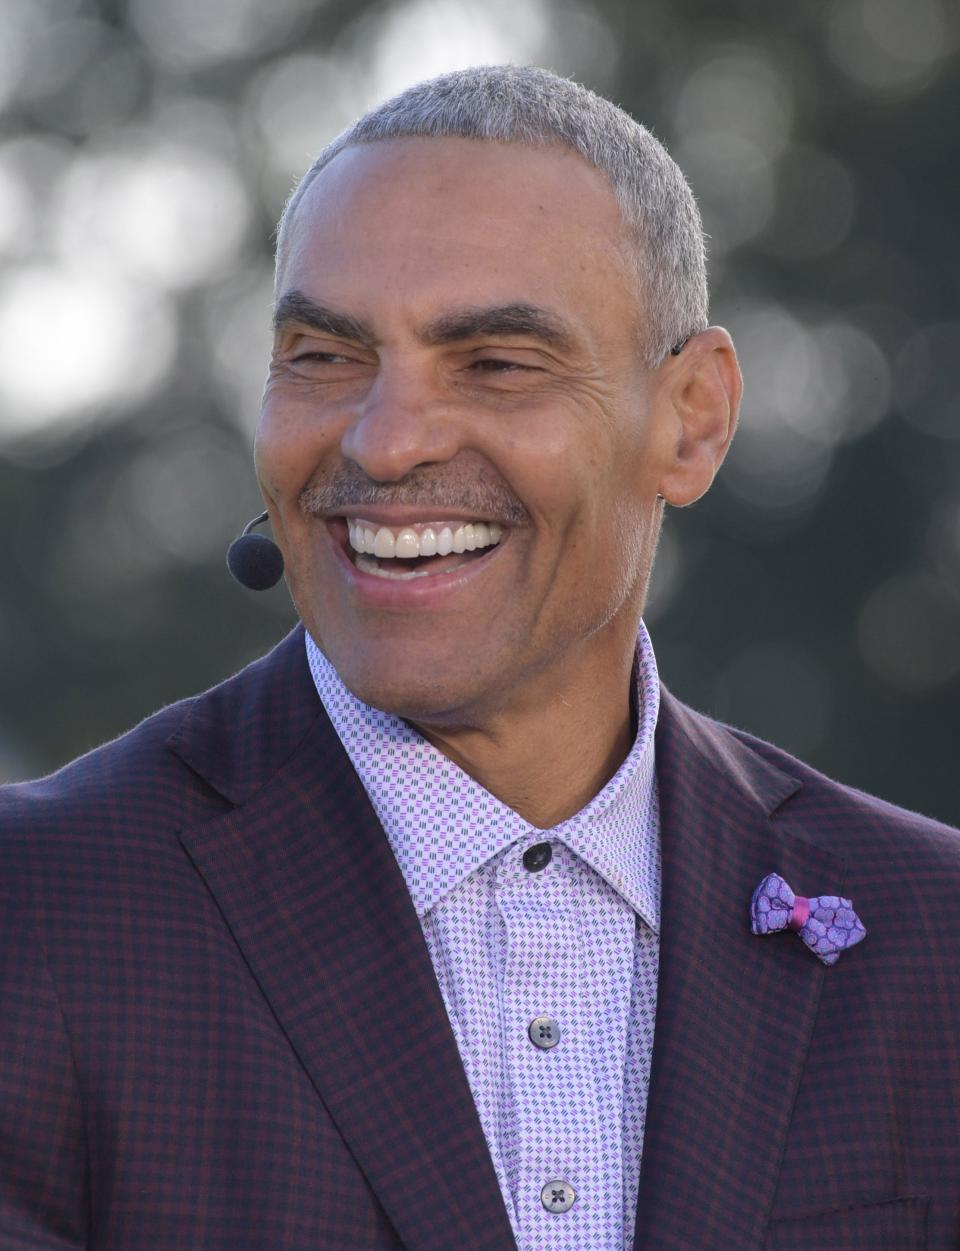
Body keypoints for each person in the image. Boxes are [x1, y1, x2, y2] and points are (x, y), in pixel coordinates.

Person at [1, 64, 957, 1251]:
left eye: (497, 363)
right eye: (323, 356)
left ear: (692, 417)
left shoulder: (933, 941)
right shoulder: (37, 911)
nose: (389, 440)